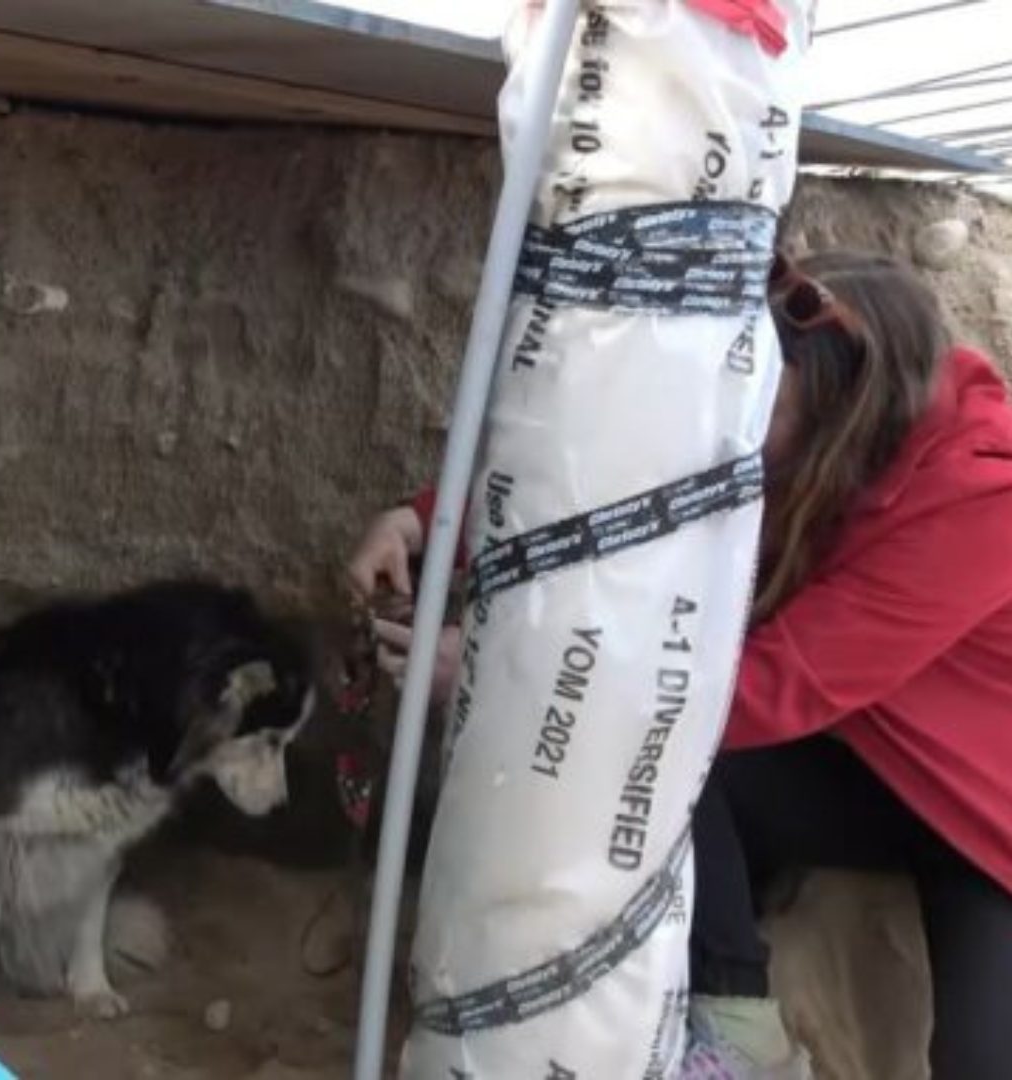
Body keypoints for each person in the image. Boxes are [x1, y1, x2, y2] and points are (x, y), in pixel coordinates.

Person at [345, 250, 1012, 1079]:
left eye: (763, 405)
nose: (732, 427)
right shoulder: (810, 444)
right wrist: (425, 527)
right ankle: (739, 1025)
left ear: (848, 405)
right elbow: (623, 490)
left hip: (988, 829)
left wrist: (503, 668)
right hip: (873, 770)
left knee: (981, 1061)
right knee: (679, 761)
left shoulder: (980, 508)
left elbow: (769, 687)